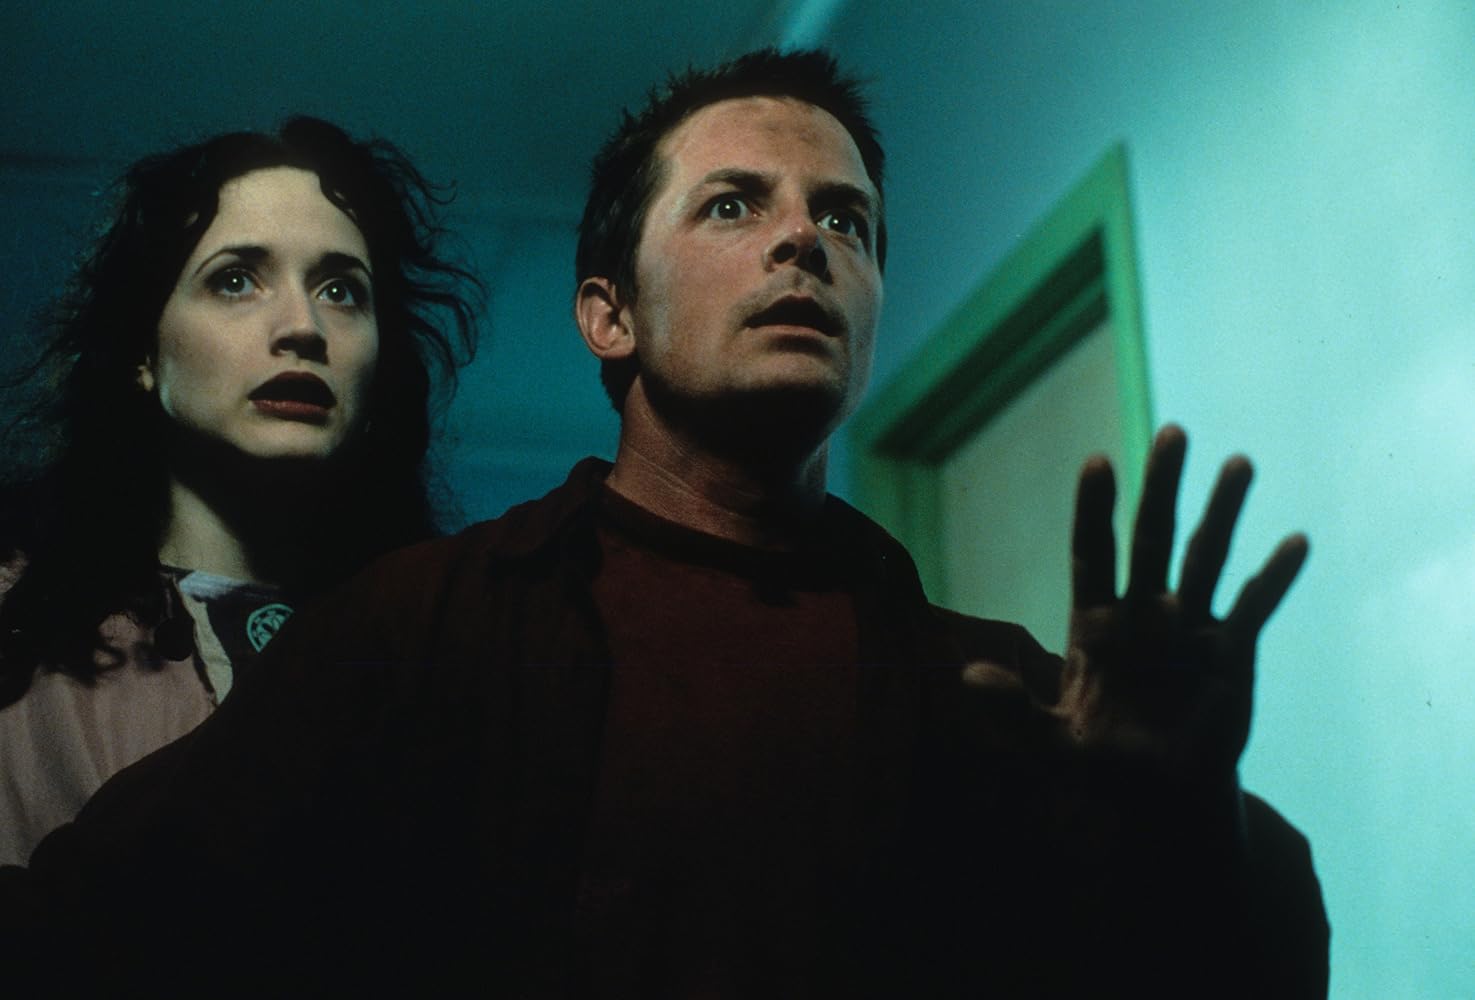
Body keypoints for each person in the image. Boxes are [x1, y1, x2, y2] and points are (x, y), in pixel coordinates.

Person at [9, 51, 1327, 997]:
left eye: (845, 220)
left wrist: (1182, 823)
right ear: (607, 313)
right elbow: (87, 926)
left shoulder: (982, 693)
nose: (804, 242)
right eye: (732, 203)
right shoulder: (425, 627)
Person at [0, 117, 480, 866]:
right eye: (235, 280)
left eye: (341, 291)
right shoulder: (15, 623)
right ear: (142, 352)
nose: (303, 327)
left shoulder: (453, 658)